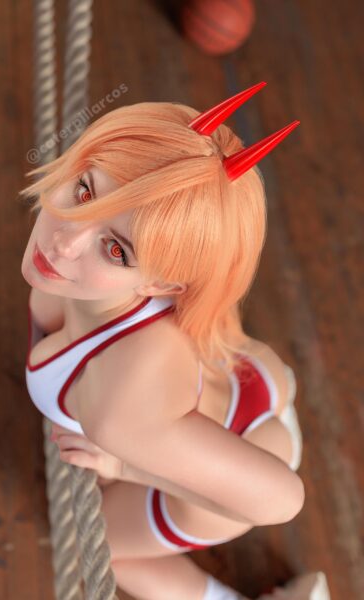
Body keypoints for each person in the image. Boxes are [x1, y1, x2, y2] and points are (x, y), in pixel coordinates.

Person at [21, 82, 330, 599]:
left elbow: (281, 500)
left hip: (233, 463)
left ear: (163, 285)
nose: (65, 241)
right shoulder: (79, 273)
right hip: (244, 377)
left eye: (116, 250)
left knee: (92, 549)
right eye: (86, 190)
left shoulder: (118, 408)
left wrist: (127, 466)